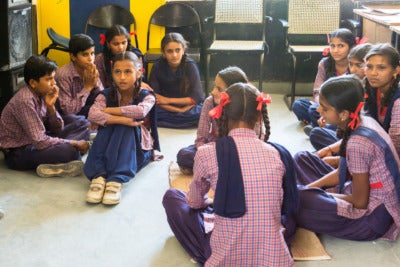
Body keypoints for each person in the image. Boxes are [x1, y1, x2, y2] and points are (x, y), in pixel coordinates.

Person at [163, 83, 298, 266]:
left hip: (225, 256)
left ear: (221, 113)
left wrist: (209, 202)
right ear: (259, 116)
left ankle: (205, 253)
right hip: (271, 254)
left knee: (172, 197)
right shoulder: (276, 153)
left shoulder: (207, 152)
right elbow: (282, 205)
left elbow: (194, 202)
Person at [295, 75, 400, 241]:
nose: (318, 111)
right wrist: (311, 188)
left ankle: (305, 197)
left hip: (370, 219)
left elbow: (359, 202)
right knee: (302, 159)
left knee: (298, 200)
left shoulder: (358, 143)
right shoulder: (362, 120)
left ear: (343, 114)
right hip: (356, 188)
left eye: (325, 108)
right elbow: (343, 171)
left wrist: (309, 193)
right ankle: (308, 194)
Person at [84, 51, 160, 205]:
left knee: (127, 126)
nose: (122, 77)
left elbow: (140, 111)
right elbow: (92, 114)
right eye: (117, 72)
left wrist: (109, 112)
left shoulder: (147, 95)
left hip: (137, 149)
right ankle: (98, 176)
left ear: (139, 73)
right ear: (112, 74)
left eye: (128, 71)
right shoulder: (105, 94)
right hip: (110, 145)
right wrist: (122, 119)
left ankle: (117, 178)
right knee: (117, 124)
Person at [0, 55, 89, 177]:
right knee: (70, 151)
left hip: (38, 139)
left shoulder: (42, 93)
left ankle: (55, 163)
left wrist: (51, 107)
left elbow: (57, 129)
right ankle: (58, 162)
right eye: (48, 79)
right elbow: (40, 141)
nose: (54, 83)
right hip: (19, 153)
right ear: (33, 83)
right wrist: (73, 143)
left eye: (53, 78)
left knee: (83, 123)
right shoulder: (25, 100)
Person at [176, 66, 250, 174]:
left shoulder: (248, 106)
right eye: (215, 86)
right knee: (184, 155)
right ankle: (224, 169)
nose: (213, 91)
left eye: (219, 89)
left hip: (240, 151)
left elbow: (255, 140)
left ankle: (214, 169)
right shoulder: (209, 102)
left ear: (234, 93)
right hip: (214, 148)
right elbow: (201, 138)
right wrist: (206, 153)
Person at [309, 42, 373, 151]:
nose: (353, 69)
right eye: (351, 64)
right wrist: (325, 111)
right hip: (345, 124)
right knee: (312, 111)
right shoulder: (348, 79)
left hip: (357, 135)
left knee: (320, 131)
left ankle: (337, 148)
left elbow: (354, 119)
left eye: (359, 65)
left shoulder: (372, 88)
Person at [292, 28, 356, 131]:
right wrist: (323, 107)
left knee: (313, 110)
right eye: (332, 46)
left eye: (341, 46)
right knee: (298, 105)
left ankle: (318, 127)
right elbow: (317, 91)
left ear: (351, 47)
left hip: (342, 110)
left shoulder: (354, 66)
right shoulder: (324, 63)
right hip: (324, 104)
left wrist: (330, 110)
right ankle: (323, 126)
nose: (335, 50)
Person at [149, 32, 204, 128]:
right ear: (163, 53)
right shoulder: (157, 67)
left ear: (183, 50)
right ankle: (182, 121)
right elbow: (155, 98)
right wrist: (178, 111)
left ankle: (174, 121)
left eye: (178, 50)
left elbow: (197, 97)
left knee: (202, 111)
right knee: (149, 110)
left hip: (187, 106)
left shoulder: (190, 66)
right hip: (165, 108)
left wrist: (168, 100)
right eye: (169, 51)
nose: (174, 55)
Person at [55, 34, 104, 140]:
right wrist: (87, 87)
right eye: (85, 55)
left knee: (107, 109)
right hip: (67, 116)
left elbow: (103, 97)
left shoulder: (92, 69)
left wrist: (95, 85)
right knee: (79, 120)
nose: (90, 59)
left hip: (86, 109)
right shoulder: (63, 75)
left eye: (92, 53)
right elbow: (69, 111)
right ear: (73, 56)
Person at [94, 24, 151, 89]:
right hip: (110, 93)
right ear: (108, 44)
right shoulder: (101, 59)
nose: (121, 47)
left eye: (123, 43)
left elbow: (138, 79)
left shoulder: (136, 55)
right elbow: (100, 85)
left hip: (133, 91)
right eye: (116, 44)